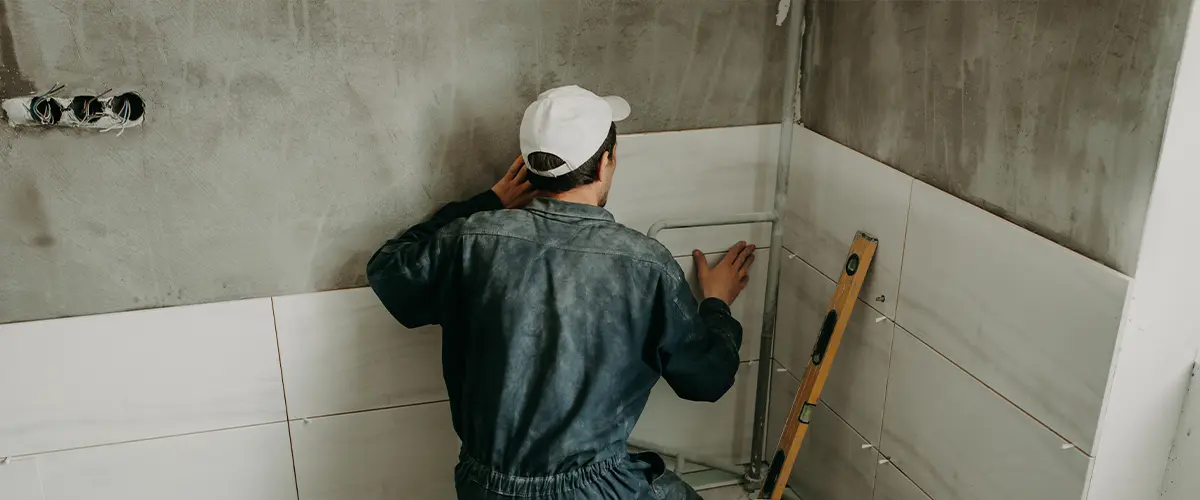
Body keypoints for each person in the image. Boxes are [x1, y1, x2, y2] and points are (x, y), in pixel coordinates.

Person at [367, 85, 756, 500]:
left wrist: (489, 201)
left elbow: (389, 272)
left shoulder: (472, 239)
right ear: (607, 162)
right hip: (590, 492)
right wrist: (716, 305)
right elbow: (707, 380)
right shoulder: (644, 263)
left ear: (530, 166)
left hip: (483, 487)